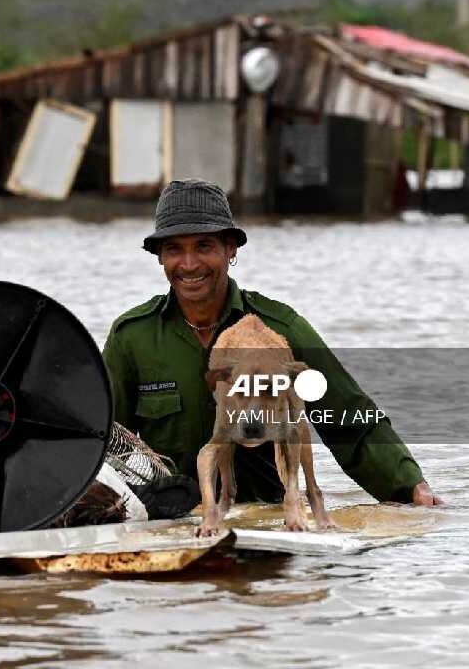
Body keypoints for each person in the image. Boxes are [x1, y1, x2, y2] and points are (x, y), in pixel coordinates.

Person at [102, 179, 442, 507]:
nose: (189, 264)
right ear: (160, 257)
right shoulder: (131, 337)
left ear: (230, 249)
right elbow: (103, 438)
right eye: (174, 249)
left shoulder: (281, 330)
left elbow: (347, 417)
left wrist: (409, 484)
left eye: (204, 246)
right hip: (171, 518)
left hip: (269, 518)